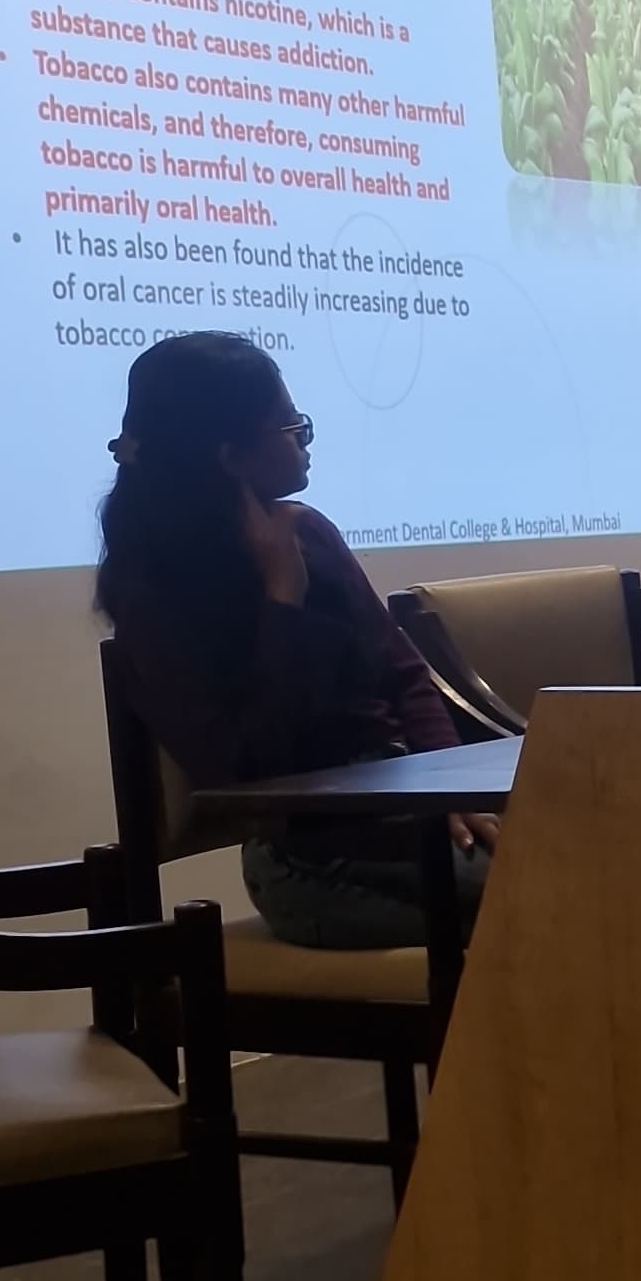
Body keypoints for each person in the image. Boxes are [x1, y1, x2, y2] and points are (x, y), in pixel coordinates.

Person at [95, 331, 492, 953]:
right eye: (290, 427)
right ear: (230, 457)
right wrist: (284, 598)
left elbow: (404, 673)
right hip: (310, 858)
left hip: (401, 809)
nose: (305, 440)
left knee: (583, 864)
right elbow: (247, 770)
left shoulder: (308, 532)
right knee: (553, 895)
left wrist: (449, 791)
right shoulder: (152, 592)